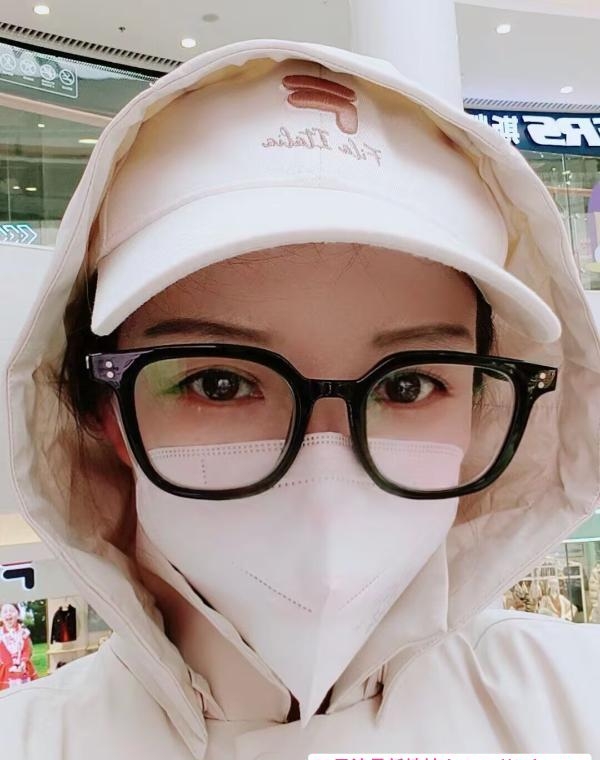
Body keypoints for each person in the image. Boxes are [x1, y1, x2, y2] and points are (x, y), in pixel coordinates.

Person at [3, 36, 600, 759]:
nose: (324, 494)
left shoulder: (575, 705)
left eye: (407, 385)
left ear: (483, 410)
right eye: (219, 383)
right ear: (106, 413)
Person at [0, 604, 38, 689]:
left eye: (11, 611)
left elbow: (27, 649)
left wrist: (23, 662)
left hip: (24, 667)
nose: (8, 613)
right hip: (6, 670)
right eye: (5, 611)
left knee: (26, 690)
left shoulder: (24, 632)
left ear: (18, 615)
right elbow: (2, 652)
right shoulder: (0, 635)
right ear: (1, 617)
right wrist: (12, 665)